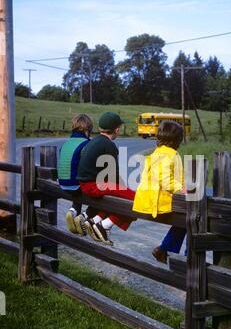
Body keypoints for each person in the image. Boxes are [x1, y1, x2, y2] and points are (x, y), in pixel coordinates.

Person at [75, 111, 135, 245]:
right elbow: (113, 176)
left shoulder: (93, 141)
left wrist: (122, 189)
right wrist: (125, 190)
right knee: (136, 200)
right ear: (117, 129)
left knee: (123, 194)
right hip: (94, 186)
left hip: (85, 184)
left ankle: (94, 221)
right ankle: (105, 226)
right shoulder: (109, 145)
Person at [133, 120, 186, 264]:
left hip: (149, 200)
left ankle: (166, 249)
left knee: (187, 219)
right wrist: (182, 189)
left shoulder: (157, 153)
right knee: (192, 217)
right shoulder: (172, 155)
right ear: (177, 140)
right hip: (159, 202)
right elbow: (165, 180)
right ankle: (187, 257)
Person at [58, 114, 93, 234]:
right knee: (98, 190)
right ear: (88, 129)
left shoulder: (65, 144)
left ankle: (72, 211)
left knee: (78, 191)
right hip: (76, 185)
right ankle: (84, 216)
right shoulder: (86, 144)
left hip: (63, 183)